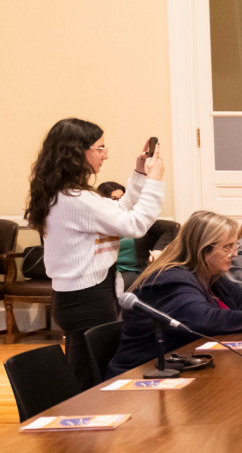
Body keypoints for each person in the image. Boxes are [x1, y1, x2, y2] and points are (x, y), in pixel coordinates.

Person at [25, 118, 166, 387]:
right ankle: (84, 424)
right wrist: (155, 182)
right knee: (91, 376)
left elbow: (116, 213)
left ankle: (88, 422)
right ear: (78, 151)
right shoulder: (77, 200)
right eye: (100, 147)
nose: (106, 154)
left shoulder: (69, 194)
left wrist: (139, 177)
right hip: (85, 298)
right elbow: (134, 224)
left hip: (82, 295)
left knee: (90, 370)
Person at [107, 211, 242, 376]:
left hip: (185, 364)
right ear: (203, 249)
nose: (234, 254)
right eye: (227, 247)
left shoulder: (208, 273)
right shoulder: (170, 277)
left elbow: (241, 296)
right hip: (146, 375)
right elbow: (203, 319)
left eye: (234, 246)